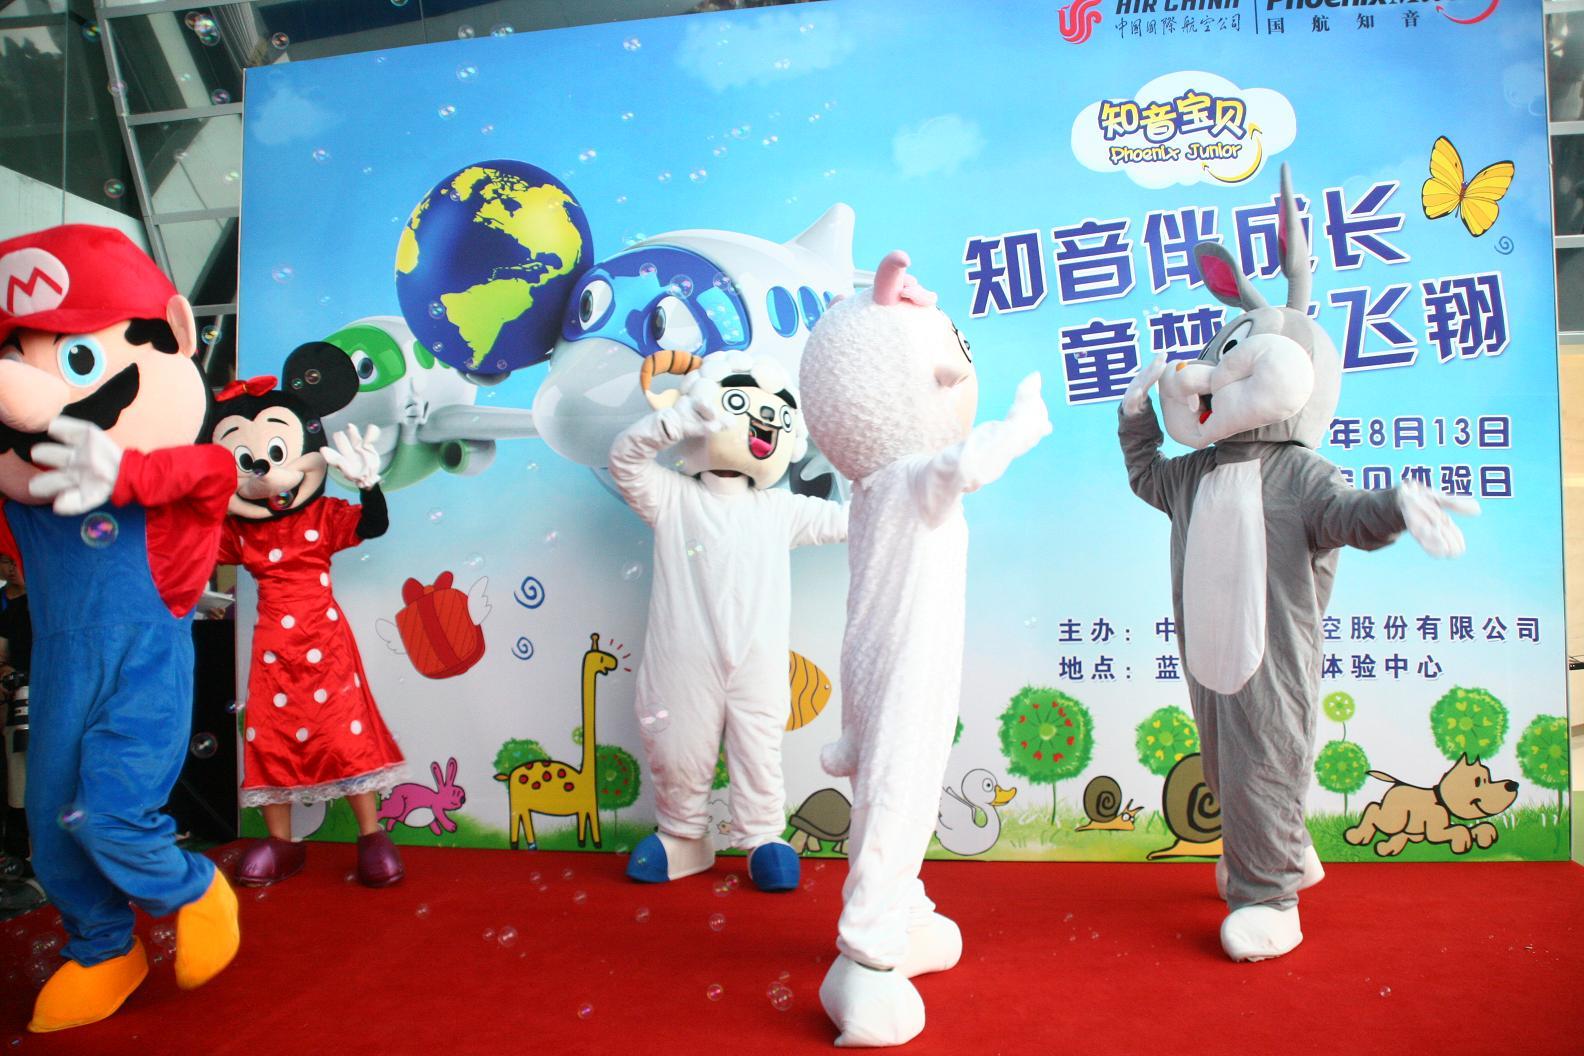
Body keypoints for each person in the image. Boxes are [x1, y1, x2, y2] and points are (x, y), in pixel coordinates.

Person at [798, 252, 1050, 1046]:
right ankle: (864, 958)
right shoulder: (908, 478)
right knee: (897, 802)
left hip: (883, 663)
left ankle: (903, 915)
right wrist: (1023, 423)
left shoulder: (870, 488)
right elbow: (966, 463)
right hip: (906, 669)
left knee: (896, 795)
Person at [0, 224, 240, 1032]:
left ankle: (193, 888)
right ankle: (103, 948)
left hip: (144, 670)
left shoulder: (169, 485)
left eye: (75, 358)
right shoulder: (22, 505)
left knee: (110, 814)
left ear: (173, 334)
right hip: (59, 673)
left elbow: (213, 470)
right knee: (52, 831)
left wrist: (124, 470)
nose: (26, 399)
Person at [612, 350, 847, 892]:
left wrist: (897, 484)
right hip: (682, 662)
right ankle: (681, 834)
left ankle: (764, 836)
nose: (762, 424)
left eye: (778, 416)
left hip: (756, 666)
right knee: (678, 747)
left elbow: (851, 522)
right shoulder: (672, 496)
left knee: (758, 749)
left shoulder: (780, 509)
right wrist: (674, 421)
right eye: (740, 405)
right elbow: (624, 460)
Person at [206, 355, 406, 887]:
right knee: (269, 736)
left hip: (326, 640)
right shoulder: (242, 532)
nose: (265, 472)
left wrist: (369, 486)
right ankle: (282, 842)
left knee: (345, 731)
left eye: (276, 453)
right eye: (247, 461)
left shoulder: (321, 517)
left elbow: (373, 525)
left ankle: (371, 836)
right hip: (272, 647)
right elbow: (197, 546)